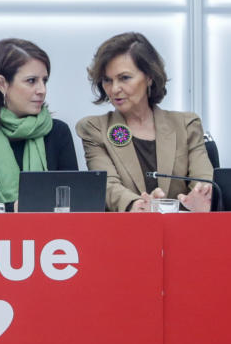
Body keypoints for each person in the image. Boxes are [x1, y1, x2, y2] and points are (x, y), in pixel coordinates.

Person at [76, 32, 213, 212]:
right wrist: (137, 205)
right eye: (107, 80)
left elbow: (203, 181)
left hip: (183, 231)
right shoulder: (95, 129)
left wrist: (201, 198)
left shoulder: (186, 125)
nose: (115, 89)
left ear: (149, 77)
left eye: (124, 78)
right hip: (125, 233)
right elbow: (108, 186)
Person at [0, 38, 78, 212]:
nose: (42, 90)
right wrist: (11, 209)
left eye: (44, 81)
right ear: (2, 84)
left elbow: (75, 199)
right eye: (31, 81)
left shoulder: (58, 132)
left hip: (53, 236)